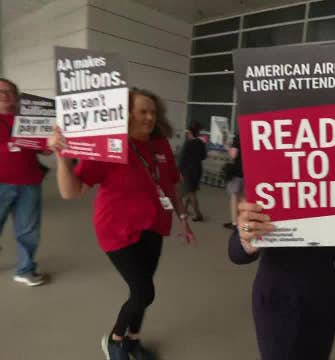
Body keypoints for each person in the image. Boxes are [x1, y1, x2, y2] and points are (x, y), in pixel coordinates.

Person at [48, 88, 195, 360]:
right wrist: (62, 159)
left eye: (153, 111)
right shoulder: (109, 146)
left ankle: (134, 340)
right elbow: (72, 191)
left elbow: (171, 185)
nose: (150, 117)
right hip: (117, 231)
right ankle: (115, 340)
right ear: (125, 114)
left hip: (154, 227)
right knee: (144, 291)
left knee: (141, 288)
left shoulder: (159, 144)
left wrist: (183, 218)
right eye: (142, 111)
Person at [228, 203, 335, 360]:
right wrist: (246, 235)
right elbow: (236, 249)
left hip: (321, 298)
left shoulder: (334, 186)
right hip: (275, 297)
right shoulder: (269, 183)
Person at [0, 78, 48, 286]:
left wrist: (50, 144)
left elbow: (42, 148)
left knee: (28, 230)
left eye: (9, 91)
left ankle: (26, 269)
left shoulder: (29, 119)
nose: (4, 95)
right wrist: (16, 143)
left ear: (16, 96)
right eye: (0, 91)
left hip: (29, 182)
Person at [179, 123, 207, 221]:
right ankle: (185, 210)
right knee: (191, 191)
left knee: (191, 192)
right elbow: (204, 156)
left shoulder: (188, 143)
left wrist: (179, 171)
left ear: (190, 132)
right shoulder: (201, 143)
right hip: (198, 169)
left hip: (188, 170)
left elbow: (182, 159)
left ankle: (198, 214)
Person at [223, 133, 243, 229]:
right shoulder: (252, 135)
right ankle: (245, 226)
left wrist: (227, 148)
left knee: (234, 198)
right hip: (249, 171)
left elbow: (233, 155)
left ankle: (235, 224)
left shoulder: (239, 137)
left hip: (237, 172)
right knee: (244, 200)